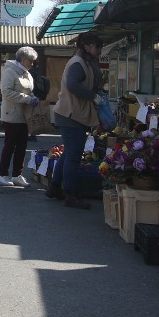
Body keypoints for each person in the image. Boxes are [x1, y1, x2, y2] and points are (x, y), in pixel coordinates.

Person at [47, 33, 103, 209]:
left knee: (69, 153)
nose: (99, 51)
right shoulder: (78, 63)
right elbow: (72, 84)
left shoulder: (82, 61)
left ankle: (55, 187)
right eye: (97, 47)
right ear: (88, 46)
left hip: (72, 114)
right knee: (73, 155)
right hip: (72, 115)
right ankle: (70, 195)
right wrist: (93, 96)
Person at [0, 46, 39, 187]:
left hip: (24, 116)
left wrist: (33, 98)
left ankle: (17, 175)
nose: (32, 64)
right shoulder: (9, 71)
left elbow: (29, 91)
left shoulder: (27, 73)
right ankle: (2, 174)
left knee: (22, 146)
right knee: (10, 146)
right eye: (31, 61)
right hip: (12, 115)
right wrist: (27, 99)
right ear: (22, 59)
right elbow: (6, 92)